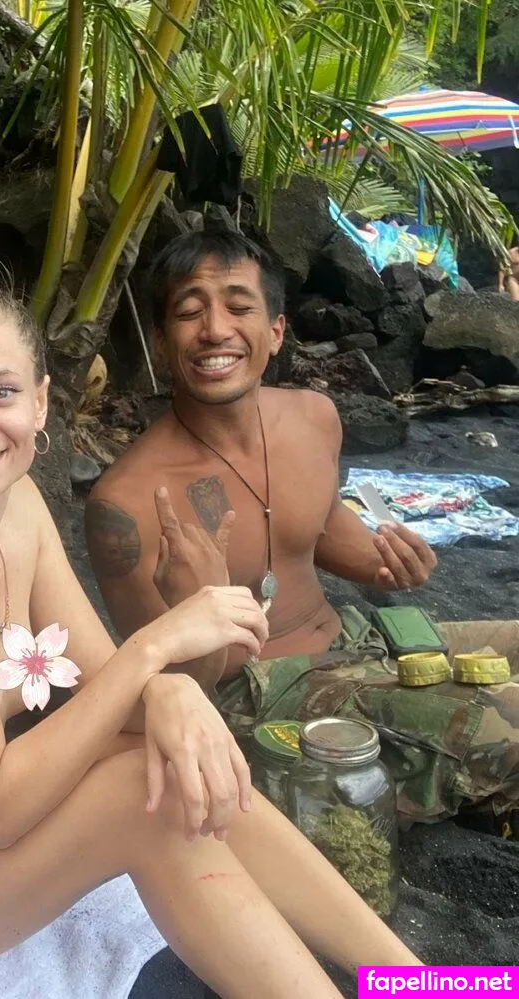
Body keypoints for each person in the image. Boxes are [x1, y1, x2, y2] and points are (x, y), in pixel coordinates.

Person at [0, 280, 419, 999]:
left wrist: (169, 695)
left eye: (1, 392)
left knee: (171, 756)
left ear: (41, 402)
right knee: (140, 787)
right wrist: (155, 650)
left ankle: (421, 982)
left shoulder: (19, 505)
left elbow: (110, 689)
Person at [87, 229, 519, 824]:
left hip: (361, 639)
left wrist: (388, 564)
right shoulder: (126, 504)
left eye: (239, 307)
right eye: (189, 313)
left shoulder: (315, 418)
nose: (215, 330)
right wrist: (197, 615)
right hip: (262, 696)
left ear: (275, 331)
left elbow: (323, 526)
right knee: (508, 719)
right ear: (161, 345)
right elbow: (165, 693)